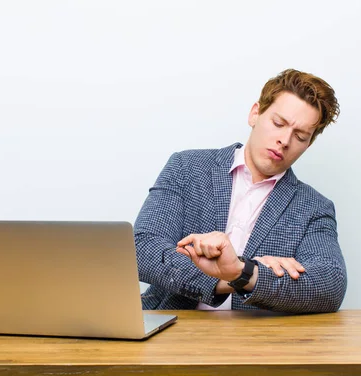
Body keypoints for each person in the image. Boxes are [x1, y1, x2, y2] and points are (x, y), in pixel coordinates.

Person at [134, 69, 347, 313]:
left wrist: (242, 271)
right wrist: (231, 278)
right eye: (279, 123)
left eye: (300, 136)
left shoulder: (314, 207)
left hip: (257, 344)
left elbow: (330, 285)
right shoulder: (187, 168)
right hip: (173, 330)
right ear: (255, 113)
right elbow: (142, 249)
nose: (285, 140)